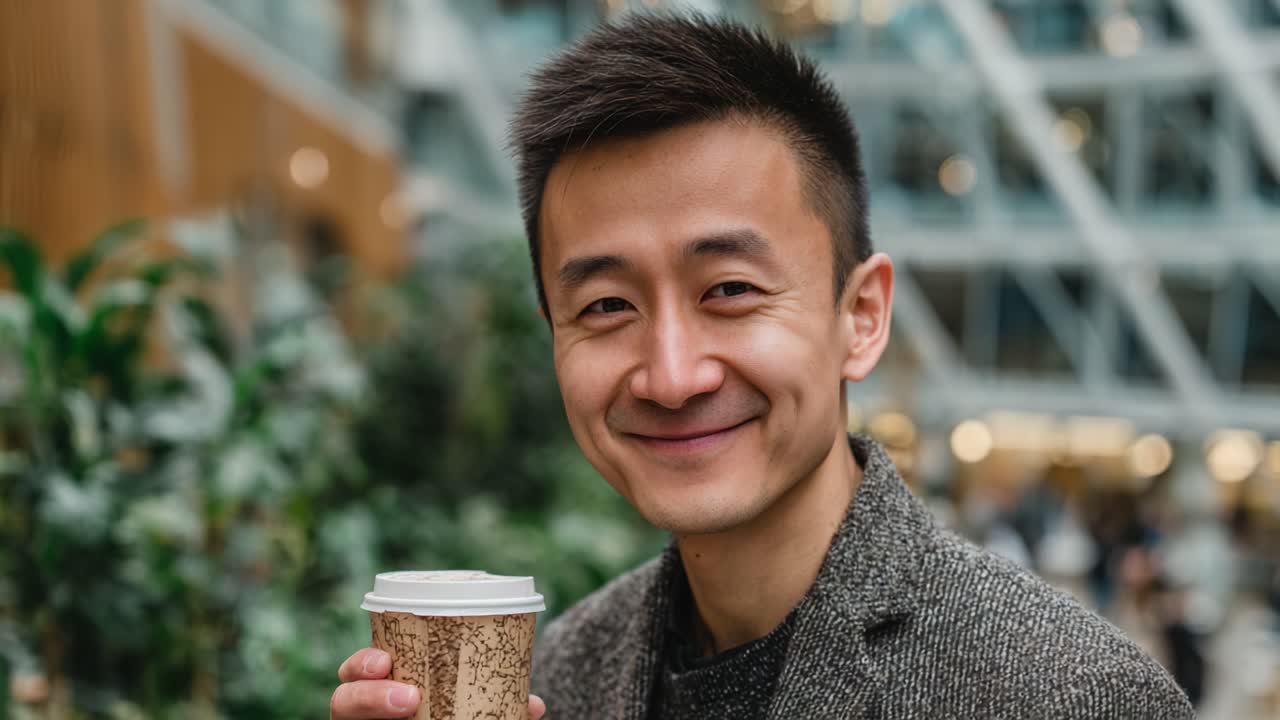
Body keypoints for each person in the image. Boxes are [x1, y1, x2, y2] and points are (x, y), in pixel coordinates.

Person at [330, 13, 1194, 720]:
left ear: (861, 317)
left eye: (731, 290)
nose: (671, 376)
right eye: (606, 307)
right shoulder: (564, 671)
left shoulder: (1067, 696)